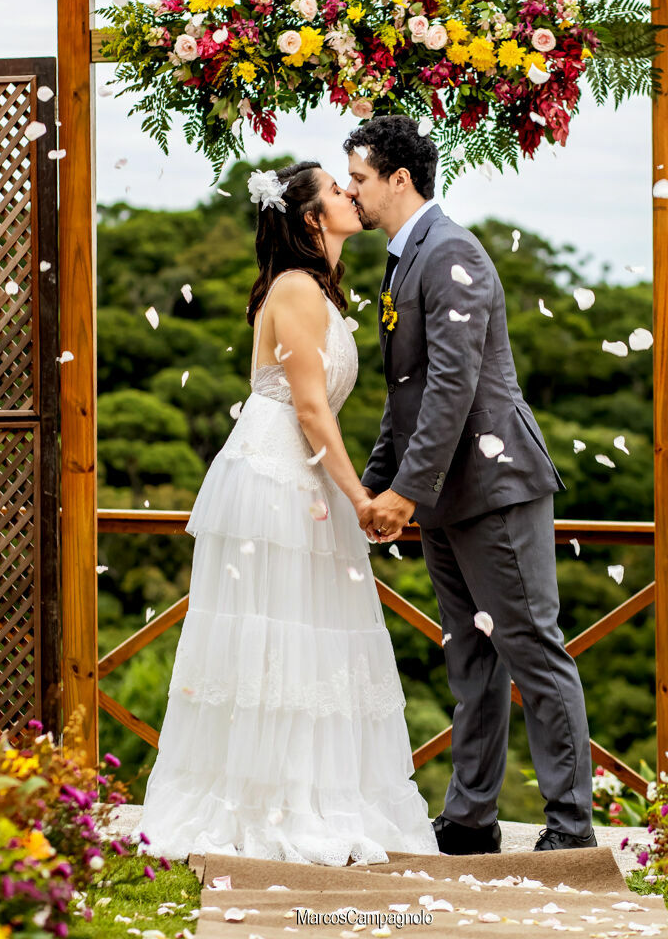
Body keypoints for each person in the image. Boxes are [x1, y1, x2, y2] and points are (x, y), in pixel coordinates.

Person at [134, 161, 437, 865]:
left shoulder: (316, 291)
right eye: (337, 188)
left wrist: (345, 488)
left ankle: (304, 789)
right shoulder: (297, 288)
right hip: (276, 475)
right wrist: (360, 495)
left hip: (303, 471)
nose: (350, 194)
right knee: (277, 638)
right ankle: (265, 802)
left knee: (311, 638)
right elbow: (306, 406)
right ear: (309, 218)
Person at [345, 115, 595, 855]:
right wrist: (372, 487)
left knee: (531, 648)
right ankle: (468, 818)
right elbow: (407, 394)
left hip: (495, 486)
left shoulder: (450, 249)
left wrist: (404, 492)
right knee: (470, 655)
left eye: (359, 178)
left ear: (399, 178)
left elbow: (453, 385)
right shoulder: (400, 259)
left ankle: (570, 829)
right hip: (443, 497)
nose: (352, 191)